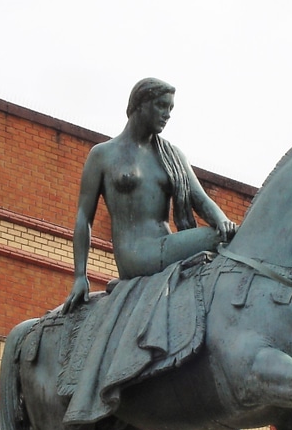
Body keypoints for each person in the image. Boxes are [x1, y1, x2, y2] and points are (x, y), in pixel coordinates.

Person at [64, 78, 237, 313]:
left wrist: (223, 222)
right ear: (140, 104)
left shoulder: (172, 155)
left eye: (170, 109)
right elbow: (84, 217)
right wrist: (79, 276)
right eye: (161, 106)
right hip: (135, 253)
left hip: (165, 244)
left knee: (229, 239)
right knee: (216, 240)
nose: (167, 114)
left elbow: (201, 199)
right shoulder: (103, 154)